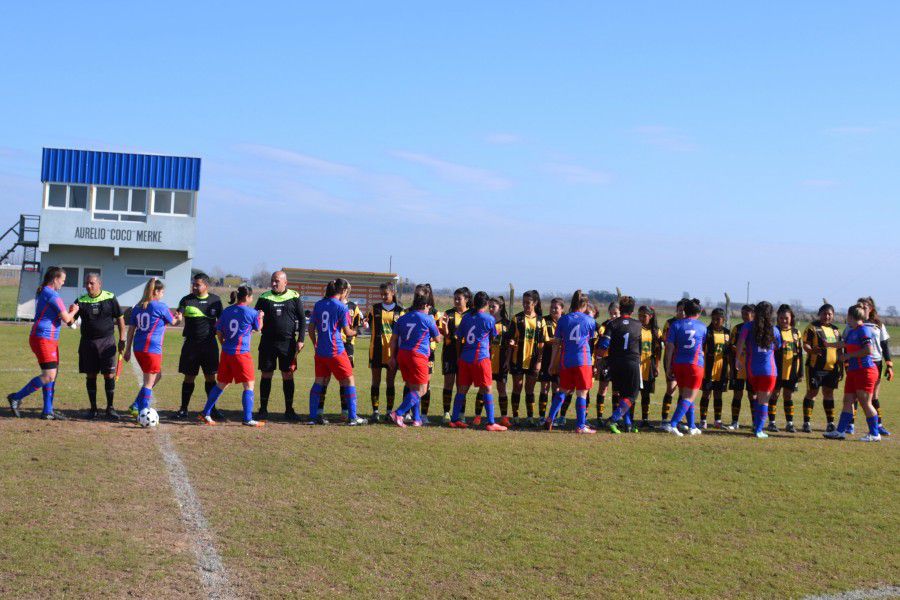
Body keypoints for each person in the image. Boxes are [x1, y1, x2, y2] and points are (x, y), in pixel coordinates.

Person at [7, 267, 79, 420]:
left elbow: (60, 317)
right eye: (62, 280)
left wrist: (70, 316)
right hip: (43, 338)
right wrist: (74, 310)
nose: (63, 283)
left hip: (47, 338)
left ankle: (47, 410)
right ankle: (16, 397)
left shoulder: (45, 292)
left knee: (52, 374)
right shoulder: (52, 294)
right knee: (49, 375)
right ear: (55, 279)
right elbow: (67, 319)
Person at [199, 285, 264, 426]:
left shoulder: (227, 311)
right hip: (241, 354)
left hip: (227, 352)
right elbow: (258, 328)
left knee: (222, 383)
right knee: (249, 385)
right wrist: (261, 317)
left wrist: (224, 344)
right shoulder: (251, 312)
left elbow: (219, 331)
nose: (252, 299)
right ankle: (247, 419)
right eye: (251, 297)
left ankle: (206, 412)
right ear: (247, 297)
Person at [307, 278, 366, 426]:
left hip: (320, 351)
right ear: (343, 291)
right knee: (348, 380)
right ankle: (352, 417)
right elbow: (347, 331)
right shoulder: (341, 307)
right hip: (336, 350)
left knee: (319, 381)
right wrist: (359, 330)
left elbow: (310, 328)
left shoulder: (319, 305)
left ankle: (314, 416)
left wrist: (315, 343)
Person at [123, 278, 182, 418]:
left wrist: (127, 350)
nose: (162, 295)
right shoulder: (160, 306)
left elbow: (131, 330)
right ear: (156, 292)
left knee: (156, 376)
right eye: (162, 292)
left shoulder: (138, 307)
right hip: (152, 349)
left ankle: (136, 405)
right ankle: (143, 413)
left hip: (138, 348)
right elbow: (174, 322)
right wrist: (179, 317)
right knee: (149, 383)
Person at [450, 291, 507, 431]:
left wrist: (458, 356)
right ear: (487, 304)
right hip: (480, 358)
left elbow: (458, 337)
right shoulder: (489, 319)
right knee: (487, 388)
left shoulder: (465, 317)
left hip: (465, 358)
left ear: (473, 303)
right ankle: (491, 422)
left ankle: (454, 419)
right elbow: (494, 337)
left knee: (462, 389)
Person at [71, 273, 125, 420]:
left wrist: (122, 339)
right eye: (87, 283)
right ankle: (93, 409)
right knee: (91, 374)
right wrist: (71, 313)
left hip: (107, 342)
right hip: (88, 343)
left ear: (99, 284)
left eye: (92, 283)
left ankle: (110, 408)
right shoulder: (81, 300)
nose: (89, 286)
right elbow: (70, 321)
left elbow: (120, 319)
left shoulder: (110, 297)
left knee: (109, 374)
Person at [824, 305, 882, 441]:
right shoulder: (852, 331)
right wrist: (829, 345)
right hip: (853, 372)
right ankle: (840, 431)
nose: (846, 319)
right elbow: (844, 344)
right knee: (847, 401)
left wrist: (849, 356)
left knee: (865, 402)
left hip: (865, 371)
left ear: (851, 317)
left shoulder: (864, 331)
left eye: (847, 316)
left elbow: (868, 350)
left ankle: (875, 434)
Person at [387, 288, 442, 428]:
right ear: (425, 305)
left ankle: (417, 419)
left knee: (413, 387)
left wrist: (392, 357)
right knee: (422, 389)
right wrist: (444, 330)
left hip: (402, 355)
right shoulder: (428, 319)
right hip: (417, 356)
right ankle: (398, 413)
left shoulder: (403, 318)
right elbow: (437, 339)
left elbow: (393, 340)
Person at [545, 290, 598, 433]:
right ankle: (580, 426)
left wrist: (552, 364)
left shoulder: (563, 320)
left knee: (562, 390)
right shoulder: (590, 321)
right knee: (582, 394)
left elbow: (556, 345)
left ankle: (550, 418)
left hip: (567, 360)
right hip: (583, 360)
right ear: (585, 304)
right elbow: (592, 342)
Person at [255, 271, 306, 421]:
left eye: (277, 281)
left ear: (285, 282)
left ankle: (289, 410)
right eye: (272, 281)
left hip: (288, 343)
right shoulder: (264, 298)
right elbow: (254, 317)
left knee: (288, 375)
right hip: (267, 343)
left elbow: (302, 320)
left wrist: (301, 339)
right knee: (266, 375)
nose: (273, 284)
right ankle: (263, 410)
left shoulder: (294, 297)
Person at [174, 272, 223, 419]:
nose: (194, 287)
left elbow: (222, 322)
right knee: (189, 377)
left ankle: (212, 409)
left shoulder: (216, 300)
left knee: (210, 378)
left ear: (206, 286)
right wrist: (177, 317)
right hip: (191, 345)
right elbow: (179, 316)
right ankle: (183, 409)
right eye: (193, 284)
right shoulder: (186, 300)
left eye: (197, 284)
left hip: (209, 345)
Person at [594, 296, 643, 433]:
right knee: (632, 395)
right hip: (632, 361)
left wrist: (598, 359)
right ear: (632, 311)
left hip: (615, 362)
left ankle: (627, 424)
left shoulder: (612, 324)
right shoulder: (638, 325)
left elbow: (604, 344)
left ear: (620, 309)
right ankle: (613, 419)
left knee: (623, 394)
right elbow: (639, 347)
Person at [734, 301, 781, 439]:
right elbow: (778, 346)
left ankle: (756, 425)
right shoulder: (774, 330)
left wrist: (737, 359)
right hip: (769, 370)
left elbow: (740, 344)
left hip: (752, 369)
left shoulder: (747, 327)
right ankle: (759, 429)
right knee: (764, 400)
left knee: (757, 397)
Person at [662, 298, 707, 436]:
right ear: (698, 312)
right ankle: (673, 424)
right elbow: (702, 347)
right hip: (694, 365)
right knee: (689, 397)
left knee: (685, 395)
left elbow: (669, 347)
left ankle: (692, 426)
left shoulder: (675, 325)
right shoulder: (702, 326)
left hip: (679, 364)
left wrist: (669, 365)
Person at [800, 304, 843, 433]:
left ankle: (830, 423)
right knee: (812, 393)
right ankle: (806, 423)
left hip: (832, 368)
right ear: (819, 314)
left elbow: (840, 350)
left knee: (829, 394)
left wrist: (841, 367)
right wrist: (811, 350)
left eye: (829, 314)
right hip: (815, 367)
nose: (827, 316)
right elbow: (805, 345)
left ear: (833, 315)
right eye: (824, 314)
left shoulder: (836, 330)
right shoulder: (812, 328)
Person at [367, 282, 405, 421]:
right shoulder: (374, 308)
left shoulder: (400, 311)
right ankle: (375, 411)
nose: (383, 296)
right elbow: (368, 325)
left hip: (392, 351)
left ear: (392, 293)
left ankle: (389, 412)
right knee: (375, 381)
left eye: (386, 294)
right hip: (376, 350)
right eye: (381, 294)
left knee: (390, 382)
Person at [857, 297, 892, 436]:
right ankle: (850, 425)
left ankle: (879, 425)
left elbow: (884, 345)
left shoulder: (879, 324)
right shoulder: (855, 323)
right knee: (855, 395)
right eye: (860, 306)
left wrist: (889, 364)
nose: (862, 309)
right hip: (859, 362)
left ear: (871, 309)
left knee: (874, 396)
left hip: (876, 362)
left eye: (865, 307)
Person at [509, 290, 545, 426]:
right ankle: (515, 416)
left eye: (528, 303)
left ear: (535, 303)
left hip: (533, 359)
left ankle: (530, 417)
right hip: (517, 359)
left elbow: (541, 344)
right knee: (517, 387)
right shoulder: (516, 319)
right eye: (523, 302)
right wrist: (511, 343)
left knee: (529, 389)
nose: (525, 305)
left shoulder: (540, 321)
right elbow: (510, 338)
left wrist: (539, 361)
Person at [475, 296, 512, 427]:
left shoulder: (507, 324)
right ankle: (478, 416)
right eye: (489, 306)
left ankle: (504, 417)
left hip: (501, 361)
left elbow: (509, 346)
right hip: (486, 359)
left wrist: (508, 361)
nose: (490, 309)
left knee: (502, 388)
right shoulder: (485, 321)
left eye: (493, 306)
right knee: (482, 388)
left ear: (500, 308)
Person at [439, 287, 471, 423]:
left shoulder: (471, 315)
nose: (457, 301)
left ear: (467, 299)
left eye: (460, 298)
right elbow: (444, 334)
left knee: (462, 385)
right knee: (448, 383)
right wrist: (445, 330)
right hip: (450, 352)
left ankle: (461, 414)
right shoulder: (448, 314)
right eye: (455, 298)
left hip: (465, 354)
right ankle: (446, 412)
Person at [769, 304, 802, 433]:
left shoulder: (796, 332)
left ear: (791, 318)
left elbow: (799, 354)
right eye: (781, 318)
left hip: (791, 370)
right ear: (777, 318)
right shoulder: (774, 331)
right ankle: (772, 422)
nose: (783, 320)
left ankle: (790, 423)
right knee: (774, 395)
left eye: (786, 318)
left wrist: (800, 373)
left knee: (788, 396)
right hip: (776, 369)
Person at [699, 308, 730, 429]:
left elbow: (729, 353)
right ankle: (703, 420)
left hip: (721, 369)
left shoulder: (727, 333)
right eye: (713, 318)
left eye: (718, 319)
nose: (716, 321)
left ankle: (718, 420)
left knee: (718, 395)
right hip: (708, 369)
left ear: (724, 319)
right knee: (706, 394)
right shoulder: (707, 332)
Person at [727, 304, 756, 430]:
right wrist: (738, 349)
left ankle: (755, 422)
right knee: (737, 394)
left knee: (753, 396)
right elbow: (731, 346)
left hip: (752, 368)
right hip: (738, 367)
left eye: (747, 314)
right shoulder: (737, 329)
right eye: (742, 314)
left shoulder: (757, 329)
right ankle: (734, 421)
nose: (744, 316)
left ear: (753, 314)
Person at [537, 298, 564, 426]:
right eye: (552, 307)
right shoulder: (544, 320)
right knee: (544, 388)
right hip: (547, 358)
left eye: (556, 308)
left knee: (556, 388)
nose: (553, 310)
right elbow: (544, 340)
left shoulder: (565, 321)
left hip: (560, 360)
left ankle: (553, 417)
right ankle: (542, 417)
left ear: (562, 309)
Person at [659, 299, 686, 426]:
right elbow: (665, 341)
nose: (683, 313)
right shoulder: (670, 323)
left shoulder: (690, 324)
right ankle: (664, 419)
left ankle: (678, 419)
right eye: (680, 310)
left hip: (685, 361)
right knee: (670, 388)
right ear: (677, 310)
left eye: (685, 310)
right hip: (671, 359)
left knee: (683, 391)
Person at [595, 301, 621, 424]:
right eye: (611, 313)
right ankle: (599, 417)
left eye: (615, 313)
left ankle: (614, 417)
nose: (613, 316)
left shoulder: (623, 326)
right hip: (606, 360)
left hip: (618, 360)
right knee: (603, 388)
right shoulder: (604, 326)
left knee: (616, 390)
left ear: (620, 312)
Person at [637, 305, 662, 429]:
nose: (641, 318)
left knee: (646, 394)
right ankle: (629, 419)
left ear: (651, 317)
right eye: (639, 315)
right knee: (633, 393)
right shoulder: (635, 328)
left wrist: (657, 366)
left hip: (649, 366)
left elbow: (658, 351)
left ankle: (645, 419)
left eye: (644, 316)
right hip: (636, 366)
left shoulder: (656, 331)